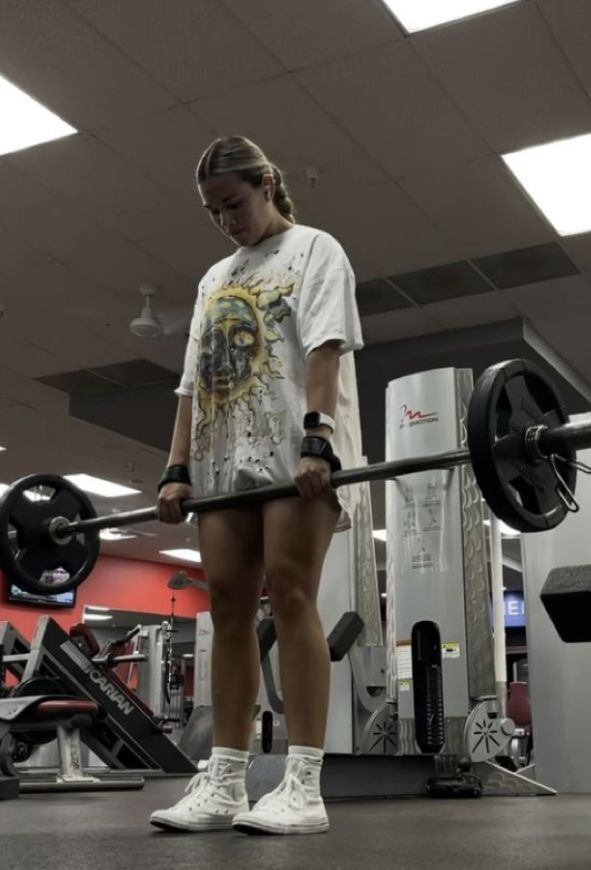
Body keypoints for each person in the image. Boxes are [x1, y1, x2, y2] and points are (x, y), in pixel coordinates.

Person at [149, 136, 364, 836]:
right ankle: (226, 782)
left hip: (294, 452)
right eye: (213, 212)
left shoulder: (316, 250)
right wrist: (177, 467)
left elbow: (326, 345)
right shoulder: (214, 279)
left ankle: (304, 784)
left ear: (268, 183)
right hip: (222, 461)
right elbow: (191, 383)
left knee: (292, 592)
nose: (226, 221)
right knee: (229, 608)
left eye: (233, 204)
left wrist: (317, 438)